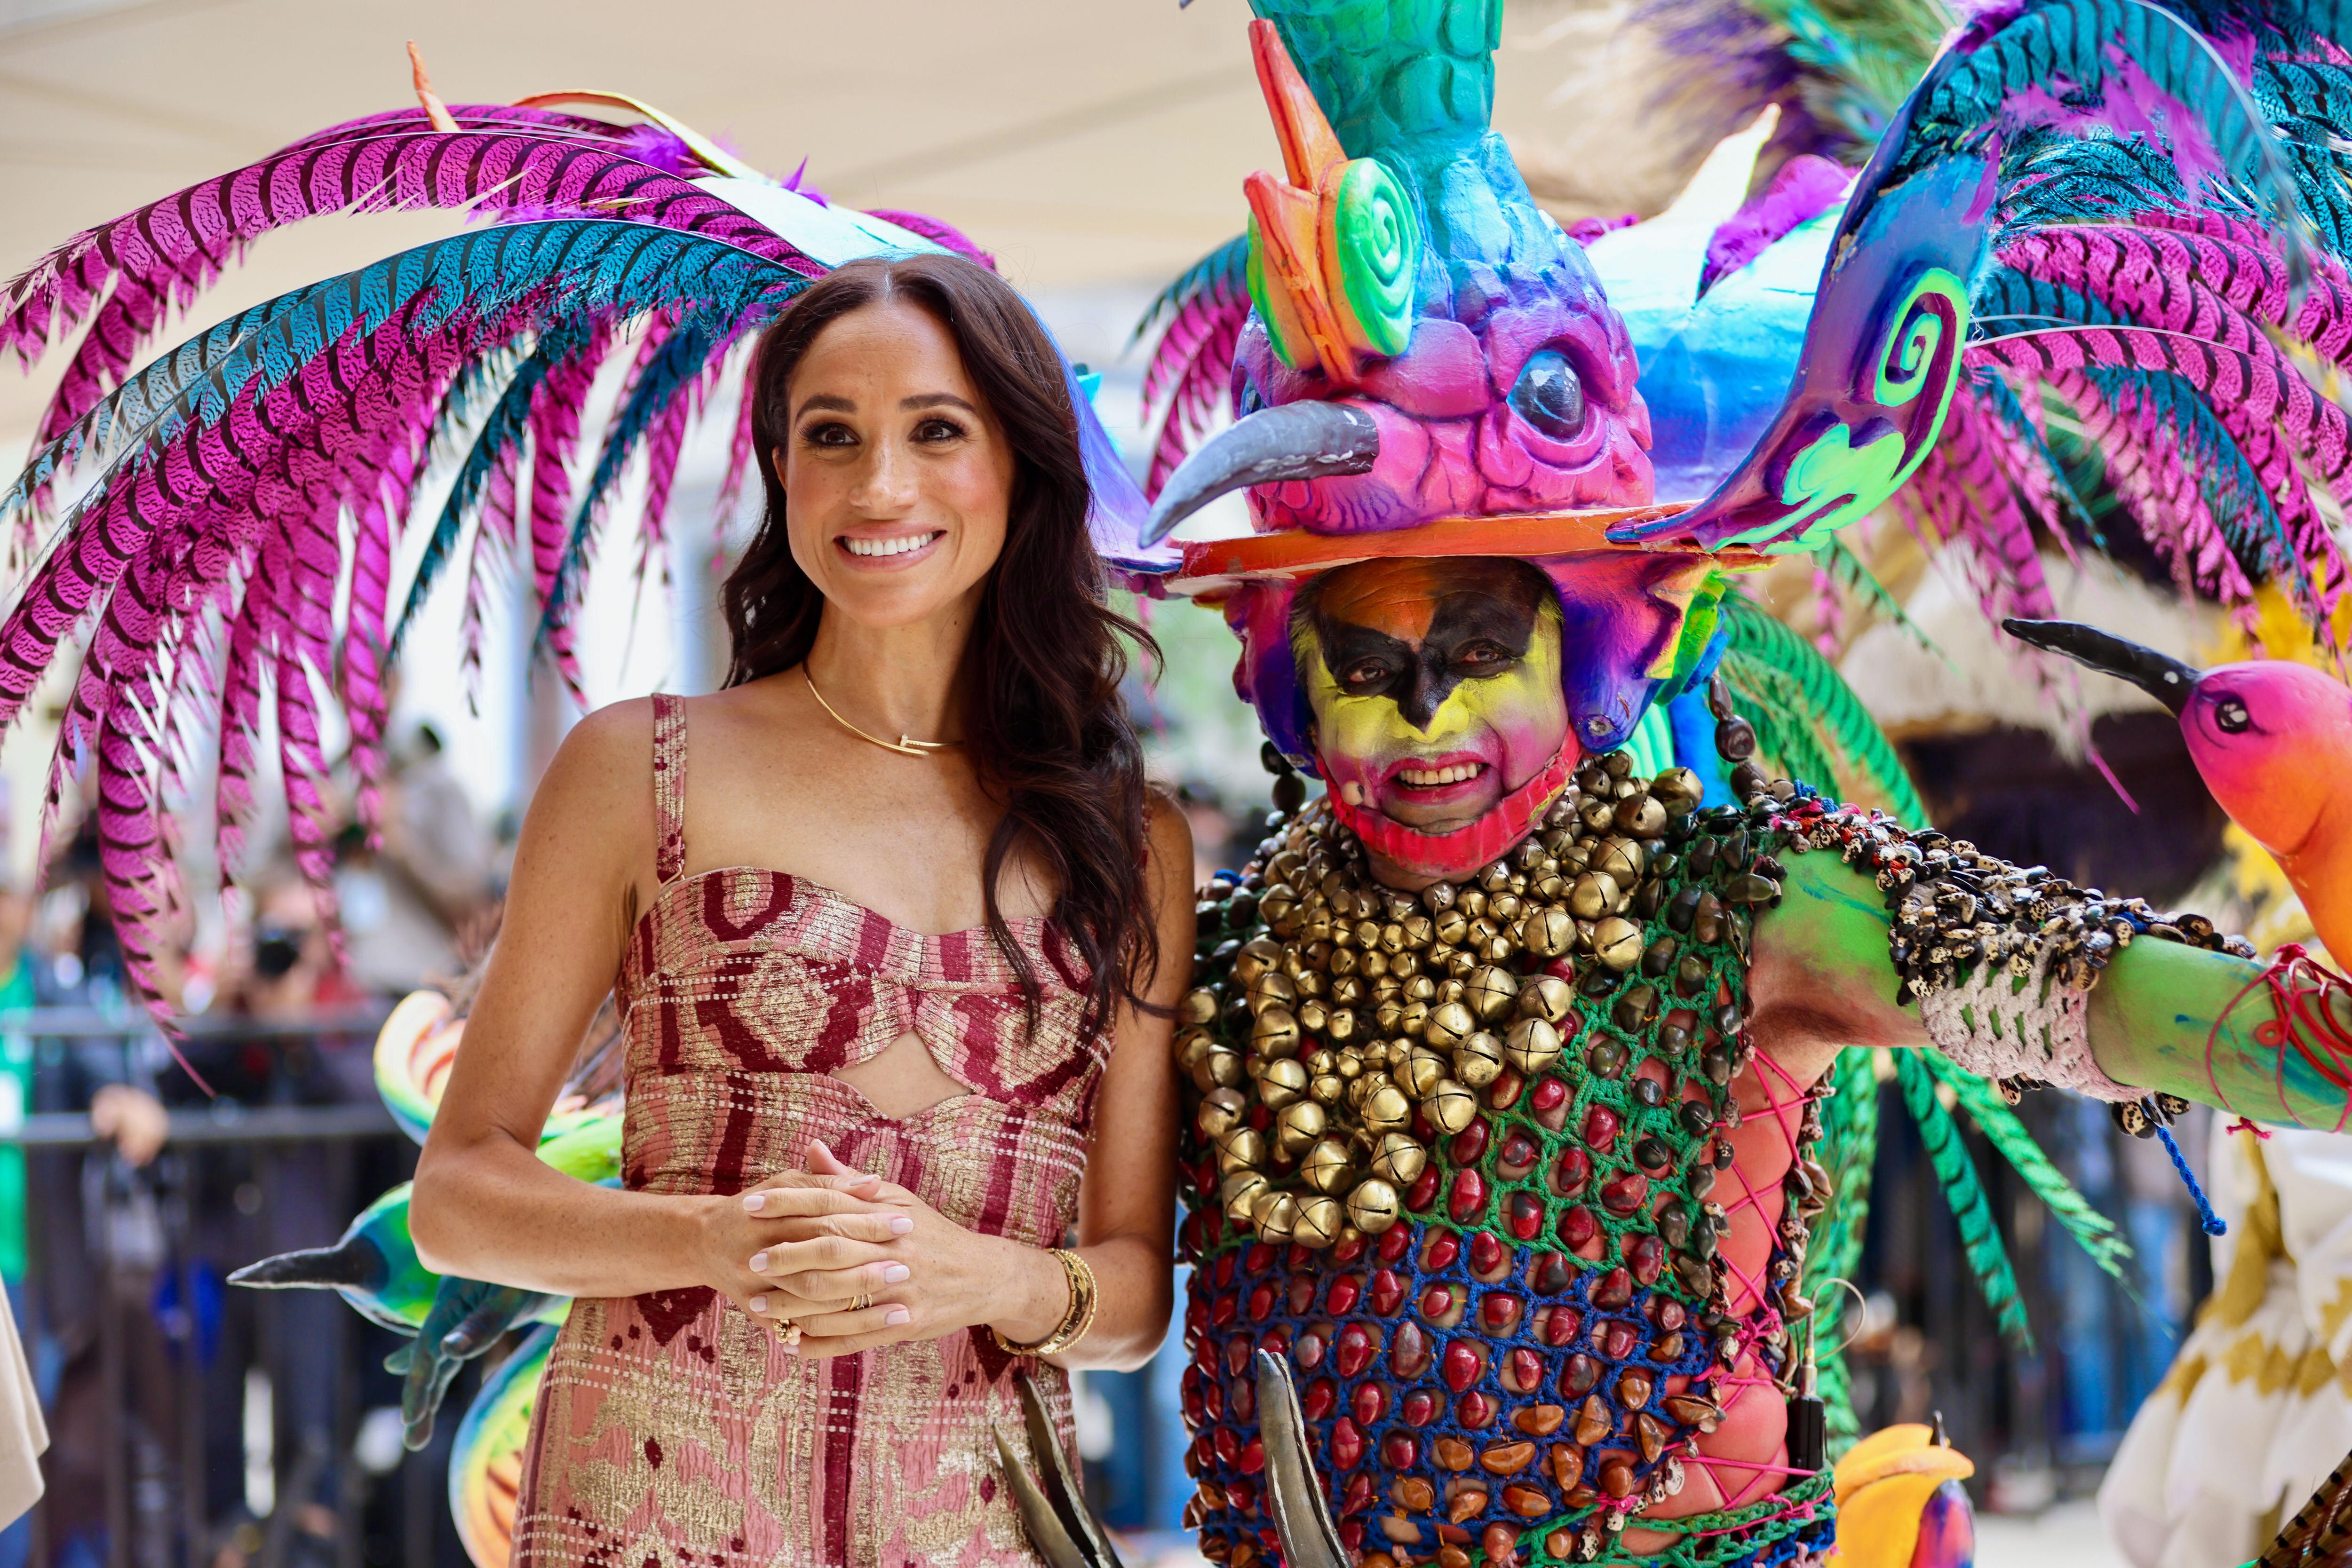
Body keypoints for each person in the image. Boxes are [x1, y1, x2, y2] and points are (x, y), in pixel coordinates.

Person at [407, 253, 1192, 1567]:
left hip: (984, 1527)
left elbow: (1129, 1298)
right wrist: (710, 1238)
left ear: (1024, 465)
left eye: (937, 431)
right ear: (783, 469)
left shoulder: (1129, 842)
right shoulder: (636, 770)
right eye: (832, 436)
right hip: (650, 1514)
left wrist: (989, 1278)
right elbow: (459, 1197)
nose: (880, 486)